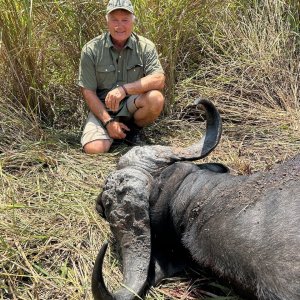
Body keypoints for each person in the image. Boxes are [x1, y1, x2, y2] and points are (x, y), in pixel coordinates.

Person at [78, 0, 165, 154]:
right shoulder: (91, 49)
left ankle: (133, 133)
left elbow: (159, 79)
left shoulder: (145, 46)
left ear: (133, 21)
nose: (120, 26)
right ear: (107, 22)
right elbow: (88, 92)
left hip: (132, 103)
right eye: (114, 20)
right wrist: (108, 121)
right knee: (94, 150)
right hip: (103, 108)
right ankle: (114, 130)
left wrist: (124, 90)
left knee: (156, 98)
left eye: (125, 20)